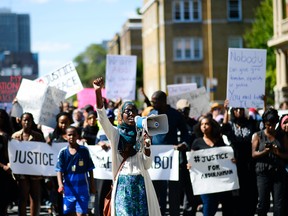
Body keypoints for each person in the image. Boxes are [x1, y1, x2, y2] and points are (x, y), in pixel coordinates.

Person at [93, 77, 161, 216]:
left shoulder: (142, 133)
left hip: (140, 182)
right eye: (127, 111)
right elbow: (102, 117)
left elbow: (147, 165)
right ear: (121, 115)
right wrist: (98, 92)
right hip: (122, 183)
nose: (130, 113)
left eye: (133, 111)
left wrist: (147, 147)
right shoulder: (115, 133)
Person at [149, 90, 189, 216]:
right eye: (152, 102)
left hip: (171, 158)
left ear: (163, 101)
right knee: (156, 190)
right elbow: (148, 134)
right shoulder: (151, 114)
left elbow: (185, 133)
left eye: (155, 102)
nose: (153, 104)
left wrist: (184, 144)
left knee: (173, 190)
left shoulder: (175, 115)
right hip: (155, 159)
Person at [190, 115, 234, 216]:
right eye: (202, 124)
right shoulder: (197, 142)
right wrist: (190, 164)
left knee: (214, 204)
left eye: (206, 124)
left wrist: (231, 160)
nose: (204, 126)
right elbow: (191, 159)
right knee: (208, 203)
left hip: (218, 181)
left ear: (212, 126)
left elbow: (226, 155)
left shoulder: (219, 141)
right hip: (205, 182)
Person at [221, 100, 259, 216]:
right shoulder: (230, 125)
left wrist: (264, 103)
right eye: (236, 109)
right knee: (233, 195)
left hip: (248, 163)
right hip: (233, 162)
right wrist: (226, 110)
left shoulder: (251, 124)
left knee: (248, 192)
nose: (239, 112)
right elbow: (224, 129)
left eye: (241, 109)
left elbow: (262, 126)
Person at [252, 108, 286, 216]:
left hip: (278, 173)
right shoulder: (257, 136)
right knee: (263, 204)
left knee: (279, 206)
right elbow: (253, 154)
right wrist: (265, 151)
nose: (270, 127)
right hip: (263, 174)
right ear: (264, 123)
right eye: (268, 125)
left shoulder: (282, 136)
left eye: (273, 124)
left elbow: (287, 155)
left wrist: (278, 152)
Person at [56, 126, 96, 216]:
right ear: (65, 136)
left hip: (82, 189)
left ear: (77, 136)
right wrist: (60, 184)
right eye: (69, 135)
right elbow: (59, 170)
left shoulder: (84, 151)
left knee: (81, 214)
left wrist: (92, 185)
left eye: (74, 135)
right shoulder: (63, 152)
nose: (71, 137)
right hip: (68, 190)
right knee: (70, 213)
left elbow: (90, 169)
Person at [11, 112, 46, 216]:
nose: (26, 122)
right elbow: (12, 154)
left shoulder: (38, 136)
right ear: (21, 121)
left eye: (29, 120)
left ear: (32, 121)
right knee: (23, 196)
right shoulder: (15, 136)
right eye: (24, 120)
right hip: (21, 171)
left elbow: (44, 152)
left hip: (35, 170)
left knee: (35, 196)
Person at [176, 99, 201, 216]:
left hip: (191, 164)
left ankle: (189, 212)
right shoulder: (172, 123)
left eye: (186, 110)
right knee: (175, 193)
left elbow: (199, 141)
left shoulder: (194, 125)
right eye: (181, 111)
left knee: (190, 193)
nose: (184, 113)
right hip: (175, 164)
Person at [0, 109, 17, 215]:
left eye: (2, 117)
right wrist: (2, 166)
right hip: (2, 169)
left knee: (4, 202)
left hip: (6, 174)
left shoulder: (9, 135)